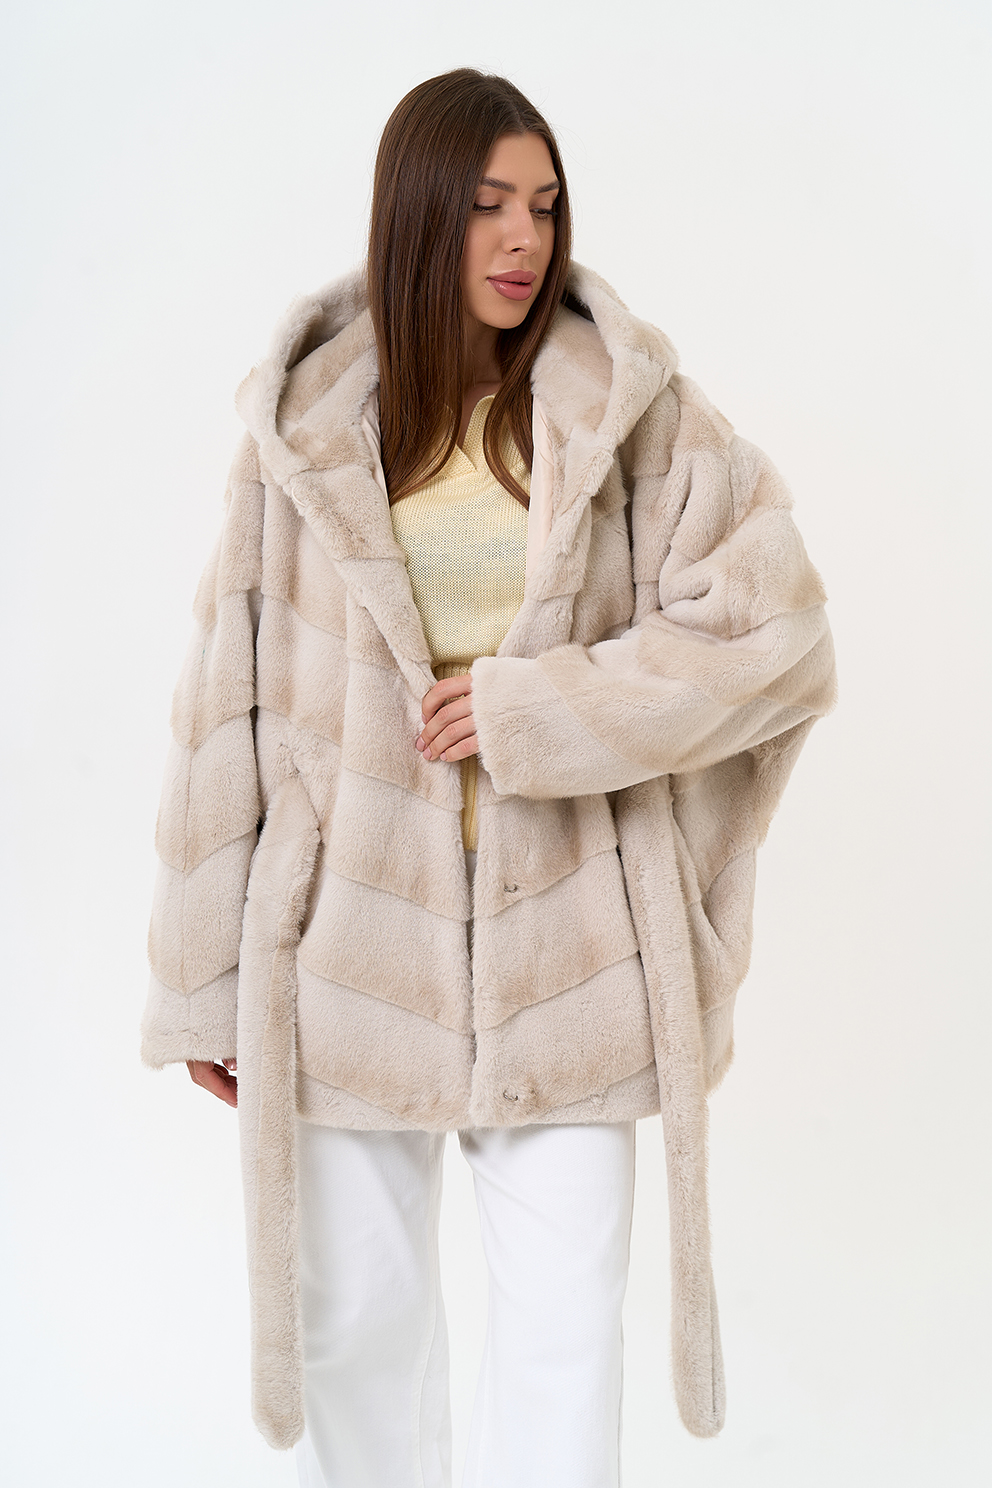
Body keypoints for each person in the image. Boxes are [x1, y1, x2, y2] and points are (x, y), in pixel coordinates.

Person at [141, 67, 836, 1488]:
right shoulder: (302, 434)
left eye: (545, 205)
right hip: (345, 956)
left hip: (572, 951)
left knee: (565, 1348)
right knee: (354, 1333)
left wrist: (545, 712)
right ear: (416, 217)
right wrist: (200, 983)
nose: (525, 238)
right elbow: (226, 699)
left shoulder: (633, 415)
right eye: (486, 207)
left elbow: (778, 634)